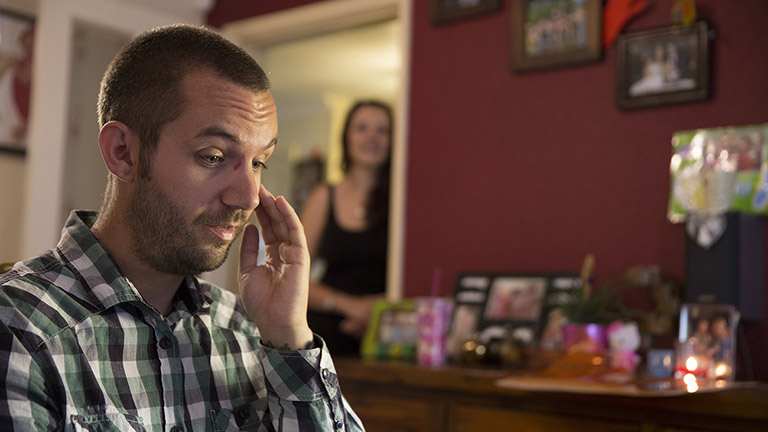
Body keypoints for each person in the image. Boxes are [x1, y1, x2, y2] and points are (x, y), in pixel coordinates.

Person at [0, 24, 364, 431]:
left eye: (259, 162)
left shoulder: (248, 331)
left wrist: (289, 335)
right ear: (123, 153)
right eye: (213, 157)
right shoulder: (21, 330)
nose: (248, 197)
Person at [300, 101, 392, 355]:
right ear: (346, 138)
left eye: (382, 130)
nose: (372, 137)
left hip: (388, 331)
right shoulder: (323, 195)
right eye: (361, 128)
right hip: (327, 332)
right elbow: (295, 276)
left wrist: (376, 311)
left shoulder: (402, 200)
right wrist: (351, 306)